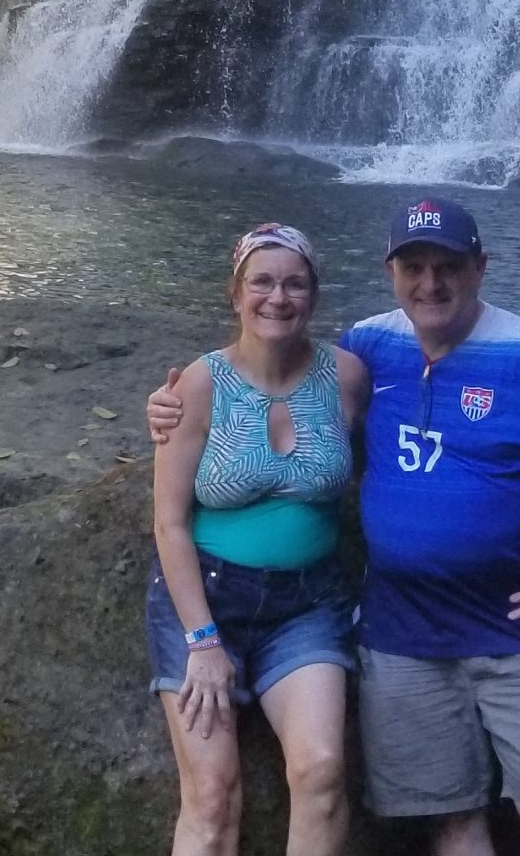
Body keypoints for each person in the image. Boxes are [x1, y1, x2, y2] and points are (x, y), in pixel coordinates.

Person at [150, 197, 520, 856]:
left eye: (449, 266)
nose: (432, 284)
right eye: (415, 267)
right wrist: (171, 408)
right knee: (449, 821)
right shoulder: (370, 349)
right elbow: (265, 383)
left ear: (480, 267)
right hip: (403, 635)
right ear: (390, 272)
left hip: (517, 631)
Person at [146, 223, 369, 856]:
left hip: (308, 606)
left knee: (322, 772)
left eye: (294, 284)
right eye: (261, 283)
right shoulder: (198, 384)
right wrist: (203, 640)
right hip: (206, 600)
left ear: (315, 297)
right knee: (213, 794)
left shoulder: (348, 376)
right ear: (235, 294)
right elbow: (169, 522)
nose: (278, 297)